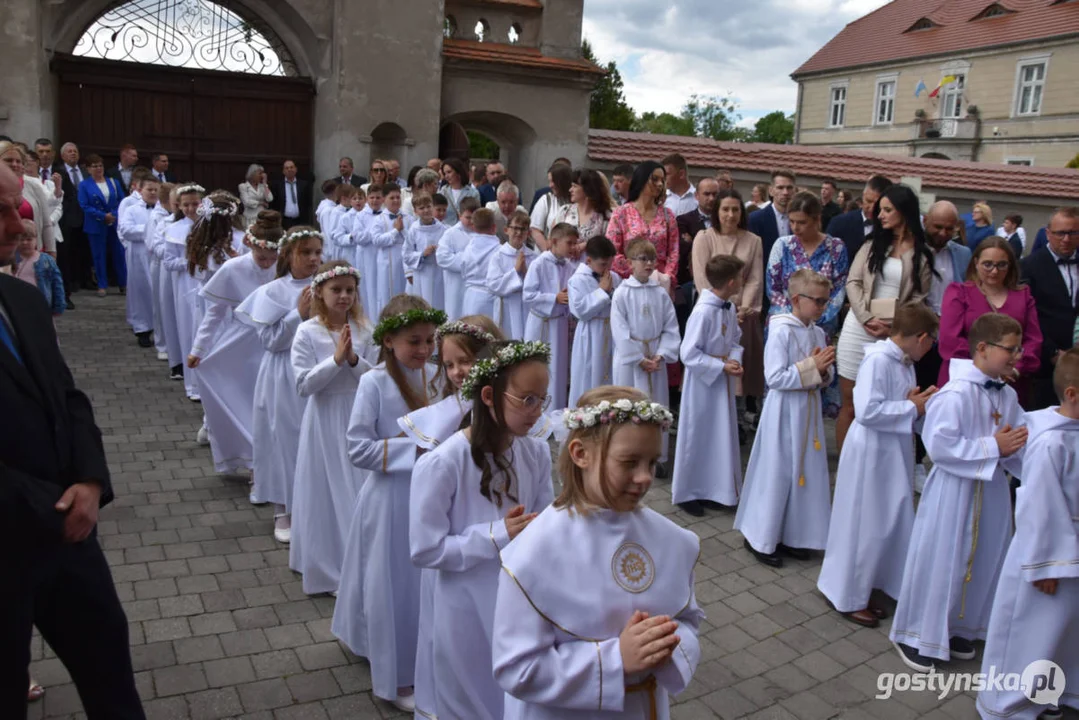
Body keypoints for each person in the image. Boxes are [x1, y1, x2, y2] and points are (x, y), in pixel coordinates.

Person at [0, 159, 146, 719]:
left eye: (21, 208)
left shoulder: (21, 299)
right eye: (5, 210)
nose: (20, 224)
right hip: (17, 529)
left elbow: (69, 398)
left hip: (68, 534)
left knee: (108, 667)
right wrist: (51, 507)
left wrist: (89, 480)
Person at [491, 386, 702, 720]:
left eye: (652, 462)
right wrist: (616, 659)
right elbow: (516, 668)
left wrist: (668, 648)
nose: (645, 477)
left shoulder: (671, 540)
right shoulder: (534, 554)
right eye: (629, 462)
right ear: (580, 454)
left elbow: (688, 618)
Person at [410, 339, 553, 720]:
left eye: (542, 399)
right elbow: (425, 550)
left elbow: (545, 522)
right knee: (469, 699)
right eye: (527, 400)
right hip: (464, 605)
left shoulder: (535, 452)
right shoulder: (443, 463)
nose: (537, 412)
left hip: (519, 599)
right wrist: (497, 534)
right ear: (489, 395)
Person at [889, 314, 1028, 672]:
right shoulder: (955, 394)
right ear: (982, 348)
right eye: (1010, 350)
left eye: (1018, 349)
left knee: (983, 556)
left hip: (992, 489)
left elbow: (1021, 440)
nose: (1017, 357)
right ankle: (917, 635)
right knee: (943, 559)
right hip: (954, 491)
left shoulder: (1007, 394)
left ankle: (960, 625)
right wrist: (994, 446)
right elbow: (940, 446)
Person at [333, 296, 445, 713]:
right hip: (391, 500)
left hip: (432, 495)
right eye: (414, 341)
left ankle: (414, 654)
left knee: (421, 584)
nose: (424, 349)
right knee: (393, 584)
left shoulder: (438, 377)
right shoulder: (374, 382)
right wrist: (411, 450)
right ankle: (395, 677)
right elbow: (357, 448)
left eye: (430, 340)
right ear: (389, 341)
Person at [402, 317, 504, 719]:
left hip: (500, 539)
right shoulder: (442, 418)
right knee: (450, 640)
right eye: (449, 364)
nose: (458, 372)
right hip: (455, 541)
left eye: (466, 361)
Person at [817, 304, 939, 628]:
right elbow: (868, 410)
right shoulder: (877, 361)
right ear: (921, 338)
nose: (931, 348)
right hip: (871, 452)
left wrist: (913, 401)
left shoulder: (904, 362)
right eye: (931, 342)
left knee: (884, 519)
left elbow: (897, 403)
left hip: (889, 450)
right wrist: (910, 405)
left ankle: (871, 583)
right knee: (864, 522)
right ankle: (849, 595)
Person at [976, 349, 1079, 720]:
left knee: (1064, 628)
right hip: (1047, 555)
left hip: (1072, 550)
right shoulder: (1051, 443)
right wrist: (1047, 566)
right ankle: (1011, 704)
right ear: (1071, 394)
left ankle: (1055, 693)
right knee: (1031, 630)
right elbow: (1039, 506)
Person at [735, 268, 835, 568]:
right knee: (777, 472)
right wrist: (811, 366)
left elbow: (823, 376)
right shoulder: (780, 329)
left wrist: (824, 372)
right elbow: (775, 376)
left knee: (803, 473)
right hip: (784, 411)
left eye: (825, 302)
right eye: (817, 301)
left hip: (809, 410)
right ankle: (761, 537)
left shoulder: (817, 332)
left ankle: (794, 535)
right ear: (796, 299)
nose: (822, 307)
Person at [289, 261, 376, 595]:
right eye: (336, 290)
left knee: (356, 486)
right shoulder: (307, 332)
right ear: (319, 293)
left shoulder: (366, 330)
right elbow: (303, 384)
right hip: (324, 416)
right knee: (327, 487)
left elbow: (373, 377)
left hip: (357, 413)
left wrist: (353, 360)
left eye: (349, 290)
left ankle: (359, 562)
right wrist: (335, 359)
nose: (343, 296)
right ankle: (327, 565)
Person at [236, 226, 324, 540]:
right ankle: (282, 507)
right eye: (306, 253)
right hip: (283, 372)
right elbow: (270, 340)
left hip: (320, 369)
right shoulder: (274, 291)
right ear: (288, 255)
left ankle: (313, 504)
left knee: (315, 437)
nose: (314, 259)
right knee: (283, 436)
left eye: (317, 252)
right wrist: (296, 315)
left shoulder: (327, 285)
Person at [834, 184, 934, 453]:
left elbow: (919, 298)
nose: (880, 215)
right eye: (880, 210)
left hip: (895, 334)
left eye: (887, 210)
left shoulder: (922, 254)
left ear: (904, 211)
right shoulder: (871, 244)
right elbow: (853, 282)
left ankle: (876, 463)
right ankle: (846, 467)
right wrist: (866, 317)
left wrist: (894, 325)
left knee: (885, 401)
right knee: (851, 402)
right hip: (859, 326)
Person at [191, 211, 281, 476]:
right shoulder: (234, 268)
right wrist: (199, 348)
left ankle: (267, 462)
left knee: (268, 405)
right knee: (242, 399)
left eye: (271, 258)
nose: (266, 263)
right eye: (261, 257)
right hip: (240, 343)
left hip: (274, 340)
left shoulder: (284, 268)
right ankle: (247, 458)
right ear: (251, 247)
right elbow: (215, 313)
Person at [671, 254, 746, 516]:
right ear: (731, 282)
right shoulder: (702, 312)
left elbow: (736, 340)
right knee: (697, 433)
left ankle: (715, 488)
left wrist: (734, 360)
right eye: (739, 278)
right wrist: (720, 366)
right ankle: (687, 491)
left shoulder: (729, 308)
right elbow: (688, 353)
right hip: (702, 383)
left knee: (718, 435)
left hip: (722, 381)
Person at [938, 237, 1042, 394]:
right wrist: (989, 366)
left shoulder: (1023, 295)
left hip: (1010, 381)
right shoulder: (959, 293)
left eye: (1001, 265)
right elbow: (949, 340)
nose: (994, 271)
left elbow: (1033, 340)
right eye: (987, 264)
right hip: (965, 381)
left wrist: (1015, 368)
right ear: (976, 263)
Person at [610, 237, 681, 469]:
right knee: (629, 405)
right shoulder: (622, 293)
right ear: (630, 263)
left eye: (652, 259)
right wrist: (638, 359)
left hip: (655, 358)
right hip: (631, 361)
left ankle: (656, 455)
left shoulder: (660, 293)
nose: (649, 264)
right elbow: (619, 330)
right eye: (643, 259)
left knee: (656, 405)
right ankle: (628, 453)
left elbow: (671, 326)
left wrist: (661, 355)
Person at [1021, 206, 1079, 410]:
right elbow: (1028, 315)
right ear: (1048, 233)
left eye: (1072, 233)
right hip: (1044, 365)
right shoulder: (1029, 266)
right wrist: (1052, 351)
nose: (1066, 239)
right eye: (1060, 233)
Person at [523, 223, 579, 409]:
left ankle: (554, 409)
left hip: (560, 323)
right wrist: (554, 297)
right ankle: (533, 407)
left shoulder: (570, 266)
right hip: (541, 323)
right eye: (569, 243)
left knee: (558, 368)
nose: (573, 248)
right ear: (554, 241)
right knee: (538, 366)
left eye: (575, 243)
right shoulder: (538, 263)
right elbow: (528, 295)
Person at [568, 235, 620, 407]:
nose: (608, 269)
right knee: (588, 375)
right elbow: (580, 311)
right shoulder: (576, 280)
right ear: (589, 260)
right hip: (590, 334)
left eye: (610, 263)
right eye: (603, 264)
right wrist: (602, 292)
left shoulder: (614, 277)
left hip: (611, 332)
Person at [607, 161, 679, 284]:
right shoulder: (621, 214)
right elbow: (612, 250)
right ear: (642, 179)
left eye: (662, 180)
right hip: (629, 281)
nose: (660, 184)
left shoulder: (668, 215)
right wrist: (637, 272)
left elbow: (674, 252)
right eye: (654, 179)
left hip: (660, 283)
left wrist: (666, 276)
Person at [158, 184, 202, 381]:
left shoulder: (209, 226)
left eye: (195, 204)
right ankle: (190, 376)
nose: (191, 209)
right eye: (186, 205)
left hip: (207, 281)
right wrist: (189, 262)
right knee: (187, 325)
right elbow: (168, 262)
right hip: (185, 282)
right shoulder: (174, 229)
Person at [117, 174, 160, 347]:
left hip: (156, 255)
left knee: (157, 291)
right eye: (149, 189)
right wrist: (150, 229)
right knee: (140, 290)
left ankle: (159, 328)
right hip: (138, 255)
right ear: (139, 190)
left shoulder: (162, 210)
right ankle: (142, 327)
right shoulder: (131, 209)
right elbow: (126, 230)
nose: (153, 193)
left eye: (156, 190)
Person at [77, 153, 125, 297]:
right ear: (88, 169)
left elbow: (122, 201)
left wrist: (114, 215)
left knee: (119, 254)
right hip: (96, 224)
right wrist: (103, 216)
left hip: (114, 223)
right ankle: (102, 284)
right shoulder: (84, 185)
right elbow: (84, 205)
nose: (98, 168)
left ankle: (123, 283)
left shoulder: (114, 182)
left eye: (100, 165)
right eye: (94, 166)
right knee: (99, 256)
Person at [487, 209, 537, 340]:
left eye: (523, 229)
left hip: (526, 307)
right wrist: (515, 271)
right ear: (506, 230)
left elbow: (539, 286)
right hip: (507, 307)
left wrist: (526, 273)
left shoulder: (533, 257)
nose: (519, 233)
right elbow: (493, 285)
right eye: (515, 228)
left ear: (528, 233)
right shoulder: (498, 256)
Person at [0, 142, 57, 257]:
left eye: (19, 161)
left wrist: (51, 252)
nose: (15, 164)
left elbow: (46, 223)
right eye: (9, 160)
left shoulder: (34, 186)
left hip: (33, 252)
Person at [825, 175, 893, 261]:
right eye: (868, 201)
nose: (871, 208)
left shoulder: (890, 229)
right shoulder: (839, 223)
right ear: (863, 195)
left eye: (877, 205)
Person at [56, 142, 89, 306]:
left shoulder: (84, 172)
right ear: (62, 156)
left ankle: (83, 279)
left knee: (83, 251)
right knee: (68, 252)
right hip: (68, 218)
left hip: (85, 217)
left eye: (75, 151)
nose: (73, 154)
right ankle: (71, 282)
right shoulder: (59, 172)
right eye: (69, 152)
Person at [436, 195, 480, 320]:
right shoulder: (451, 233)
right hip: (456, 284)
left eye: (474, 218)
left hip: (475, 285)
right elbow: (442, 257)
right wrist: (466, 260)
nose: (471, 221)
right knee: (455, 315)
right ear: (460, 215)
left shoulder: (482, 233)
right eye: (467, 217)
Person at [12, 219, 65, 316]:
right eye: (21, 239)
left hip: (39, 306)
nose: (24, 243)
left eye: (29, 239)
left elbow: (57, 284)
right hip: (17, 306)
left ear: (36, 239)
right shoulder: (11, 260)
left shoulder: (46, 261)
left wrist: (58, 306)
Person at [372, 185, 411, 313]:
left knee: (405, 292)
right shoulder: (379, 219)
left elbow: (413, 239)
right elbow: (377, 240)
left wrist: (403, 230)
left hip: (405, 260)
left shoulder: (408, 217)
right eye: (392, 197)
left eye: (398, 197)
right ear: (384, 199)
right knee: (387, 292)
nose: (395, 200)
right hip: (387, 261)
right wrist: (395, 231)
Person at [402, 193, 445, 309]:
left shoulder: (443, 229)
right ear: (415, 211)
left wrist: (440, 251)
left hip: (438, 272)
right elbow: (406, 254)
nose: (426, 210)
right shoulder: (414, 230)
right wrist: (422, 254)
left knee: (438, 303)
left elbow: (448, 250)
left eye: (428, 206)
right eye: (421, 208)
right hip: (422, 273)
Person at [747, 169, 796, 269]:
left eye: (789, 188)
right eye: (780, 188)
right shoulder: (755, 219)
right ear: (771, 191)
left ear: (794, 190)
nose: (785, 192)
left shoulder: (801, 220)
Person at [555, 168, 613, 248]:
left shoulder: (606, 217)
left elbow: (609, 246)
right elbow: (553, 240)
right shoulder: (564, 211)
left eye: (574, 186)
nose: (570, 190)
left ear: (587, 190)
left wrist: (586, 246)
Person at [460, 208, 501, 318]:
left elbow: (463, 271)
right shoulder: (499, 251)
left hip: (470, 296)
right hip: (489, 298)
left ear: (473, 227)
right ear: (494, 227)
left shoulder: (468, 248)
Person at [529, 163, 573, 250]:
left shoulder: (575, 203)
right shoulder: (546, 200)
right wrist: (548, 252)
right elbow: (535, 230)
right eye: (549, 181)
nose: (550, 185)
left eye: (553, 181)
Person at [270, 159, 313, 228]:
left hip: (301, 221)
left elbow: (308, 203)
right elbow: (274, 203)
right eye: (287, 168)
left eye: (291, 167)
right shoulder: (278, 185)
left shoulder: (304, 185)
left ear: (296, 169)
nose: (289, 170)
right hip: (284, 221)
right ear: (283, 171)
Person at [439, 158, 481, 226]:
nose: (446, 176)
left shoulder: (473, 193)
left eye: (449, 172)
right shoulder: (442, 192)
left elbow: (476, 214)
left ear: (458, 172)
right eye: (444, 173)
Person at [661, 153, 698, 217]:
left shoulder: (699, 198)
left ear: (681, 174)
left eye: (667, 174)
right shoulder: (660, 199)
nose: (663, 178)